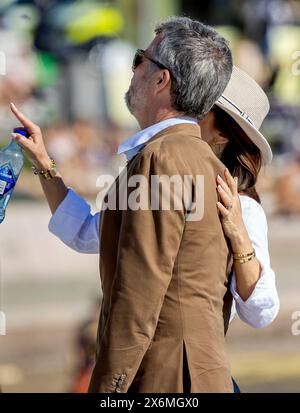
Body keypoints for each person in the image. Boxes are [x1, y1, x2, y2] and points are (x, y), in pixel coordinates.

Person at [11, 16, 235, 393]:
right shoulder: (199, 159)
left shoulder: (160, 160)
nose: (133, 72)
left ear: (162, 79)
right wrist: (46, 166)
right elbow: (92, 233)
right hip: (196, 374)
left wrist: (107, 390)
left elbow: (138, 294)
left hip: (164, 380)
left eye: (139, 60)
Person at [199, 66, 279, 329]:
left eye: (199, 109)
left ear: (222, 134)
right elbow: (90, 232)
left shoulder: (243, 207)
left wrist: (238, 232)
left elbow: (260, 312)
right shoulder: (166, 182)